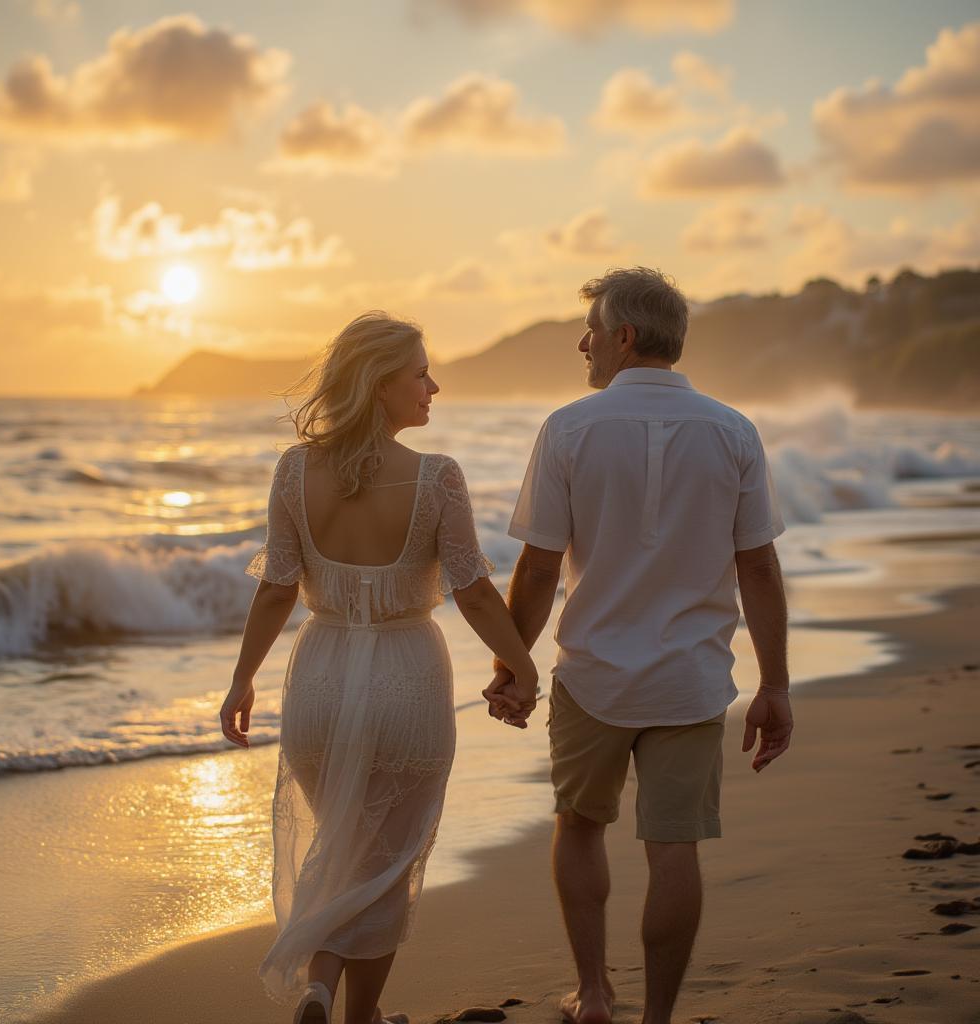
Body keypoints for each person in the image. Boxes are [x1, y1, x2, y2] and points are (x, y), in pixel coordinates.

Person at [484, 267, 793, 1024]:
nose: (581, 343)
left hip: (591, 674)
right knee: (675, 845)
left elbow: (539, 565)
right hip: (690, 680)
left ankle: (592, 993)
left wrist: (514, 666)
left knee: (580, 825)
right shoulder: (733, 430)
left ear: (623, 337)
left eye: (591, 328)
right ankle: (657, 1017)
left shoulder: (568, 428)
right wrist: (774, 685)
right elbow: (757, 564)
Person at [220, 311, 539, 1024]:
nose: (435, 386)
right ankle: (346, 1008)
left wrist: (242, 679)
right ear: (379, 385)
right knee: (385, 863)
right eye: (420, 374)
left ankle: (318, 989)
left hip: (321, 679)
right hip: (407, 681)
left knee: (345, 844)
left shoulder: (294, 470)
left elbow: (276, 588)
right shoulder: (436, 477)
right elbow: (475, 592)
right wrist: (522, 665)